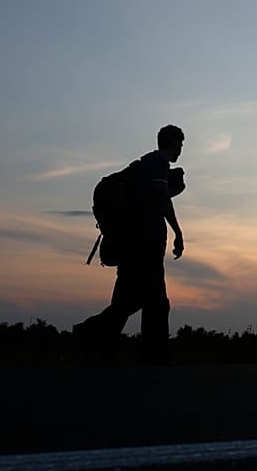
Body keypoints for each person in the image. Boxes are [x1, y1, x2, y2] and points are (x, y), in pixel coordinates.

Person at [74, 124, 186, 364]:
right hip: (144, 244)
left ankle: (99, 343)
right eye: (180, 145)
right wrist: (177, 232)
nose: (181, 151)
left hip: (132, 243)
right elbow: (161, 197)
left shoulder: (144, 165)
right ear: (175, 143)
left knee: (127, 300)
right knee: (155, 301)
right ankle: (152, 354)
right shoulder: (157, 163)